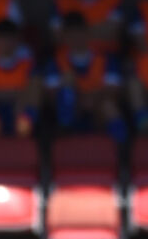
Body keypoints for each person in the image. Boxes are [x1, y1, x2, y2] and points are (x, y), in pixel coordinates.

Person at [44, 12, 126, 142]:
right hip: (72, 112)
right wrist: (80, 100)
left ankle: (122, 151)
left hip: (98, 111)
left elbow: (114, 91)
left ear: (87, 33)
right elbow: (52, 96)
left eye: (79, 33)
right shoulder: (55, 62)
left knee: (109, 106)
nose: (76, 38)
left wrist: (91, 100)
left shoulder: (106, 58)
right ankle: (66, 133)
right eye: (71, 34)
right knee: (68, 79)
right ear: (64, 36)